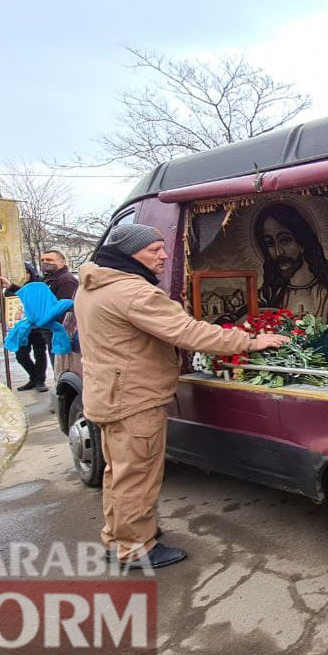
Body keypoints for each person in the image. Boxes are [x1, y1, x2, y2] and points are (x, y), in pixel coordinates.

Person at [76, 224, 286, 569]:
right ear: (130, 253)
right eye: (154, 249)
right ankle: (135, 549)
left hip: (109, 394)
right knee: (139, 478)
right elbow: (188, 332)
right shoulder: (132, 292)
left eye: (162, 247)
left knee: (120, 473)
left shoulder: (92, 286)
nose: (163, 255)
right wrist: (251, 342)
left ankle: (119, 538)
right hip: (134, 399)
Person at [253, 202, 328, 325]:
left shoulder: (327, 295)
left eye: (285, 240)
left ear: (302, 243)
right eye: (269, 243)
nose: (278, 252)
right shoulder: (266, 296)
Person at [0, 252, 79, 391]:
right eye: (43, 260)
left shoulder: (65, 280)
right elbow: (35, 298)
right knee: (57, 365)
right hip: (49, 329)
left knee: (62, 366)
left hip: (59, 332)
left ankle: (63, 395)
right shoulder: (49, 280)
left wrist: (42, 320)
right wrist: (11, 286)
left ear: (61, 262)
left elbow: (63, 310)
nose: (45, 262)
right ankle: (58, 392)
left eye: (50, 260)